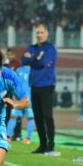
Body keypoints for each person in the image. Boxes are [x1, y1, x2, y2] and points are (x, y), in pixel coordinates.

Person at [21, 24, 60, 155]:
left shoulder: (51, 48)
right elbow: (23, 60)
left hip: (47, 85)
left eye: (42, 32)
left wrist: (32, 60)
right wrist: (34, 59)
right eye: (37, 32)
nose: (39, 35)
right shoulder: (32, 47)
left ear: (47, 33)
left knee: (47, 116)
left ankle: (51, 145)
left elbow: (43, 62)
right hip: (35, 85)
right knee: (37, 117)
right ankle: (42, 144)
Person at [6, 65, 35, 144]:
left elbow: (14, 83)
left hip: (18, 96)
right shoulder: (33, 69)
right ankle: (28, 139)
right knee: (31, 118)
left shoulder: (18, 70)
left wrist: (14, 96)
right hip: (29, 97)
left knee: (13, 117)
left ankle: (8, 137)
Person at [3, 48, 22, 140]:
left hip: (16, 91)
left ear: (14, 55)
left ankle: (17, 134)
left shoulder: (18, 64)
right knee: (6, 113)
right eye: (7, 54)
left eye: (11, 54)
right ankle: (6, 133)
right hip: (7, 91)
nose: (9, 56)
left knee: (16, 113)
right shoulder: (5, 65)